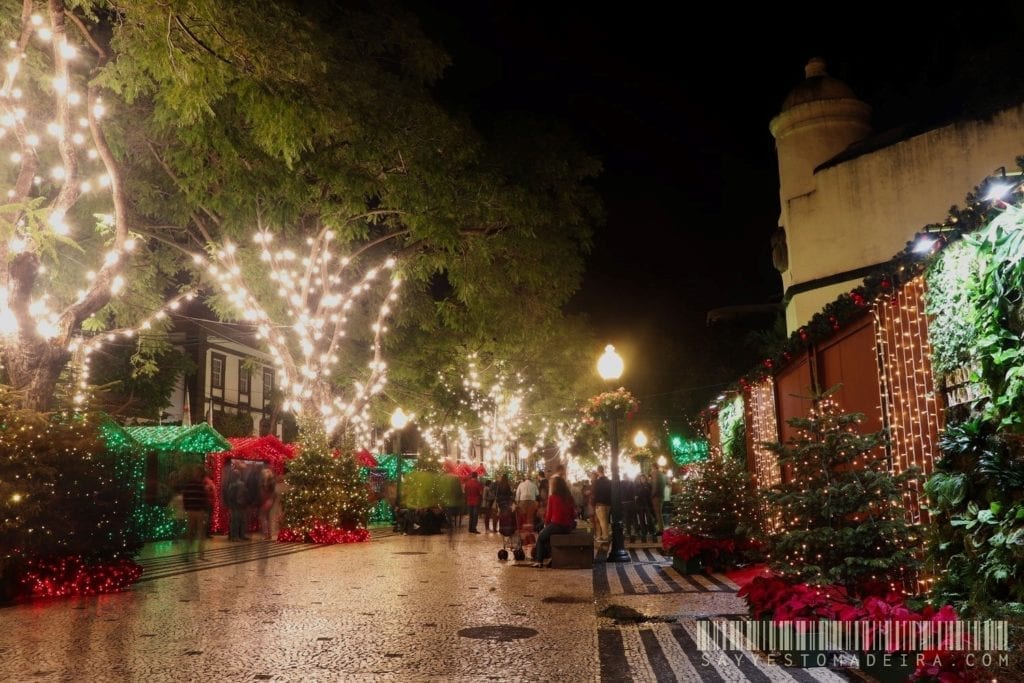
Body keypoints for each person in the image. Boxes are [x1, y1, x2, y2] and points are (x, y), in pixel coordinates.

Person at [532, 476, 576, 568]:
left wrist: (546, 525)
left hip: (556, 524)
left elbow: (549, 514)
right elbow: (573, 514)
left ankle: (539, 561)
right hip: (567, 527)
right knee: (547, 536)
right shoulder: (569, 497)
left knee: (541, 536)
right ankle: (552, 557)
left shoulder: (553, 497)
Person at [181, 465, 210, 561]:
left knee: (192, 533)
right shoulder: (200, 485)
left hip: (192, 511)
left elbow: (185, 497)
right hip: (197, 511)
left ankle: (188, 554)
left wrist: (187, 508)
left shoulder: (190, 485)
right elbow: (204, 499)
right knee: (198, 533)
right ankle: (197, 555)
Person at [592, 466, 611, 544]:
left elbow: (595, 493)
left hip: (600, 503)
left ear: (598, 471)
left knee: (602, 521)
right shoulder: (608, 481)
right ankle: (605, 535)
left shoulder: (597, 482)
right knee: (605, 520)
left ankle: (605, 537)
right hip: (608, 503)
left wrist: (595, 503)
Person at [258, 467, 277, 540]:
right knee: (265, 517)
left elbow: (266, 491)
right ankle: (268, 534)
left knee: (263, 517)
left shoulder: (268, 482)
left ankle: (266, 534)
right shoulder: (271, 482)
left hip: (266, 500)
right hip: (268, 500)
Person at [651, 466, 668, 536]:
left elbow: (655, 485)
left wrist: (652, 495)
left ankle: (661, 530)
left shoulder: (655, 473)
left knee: (658, 514)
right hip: (661, 495)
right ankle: (661, 528)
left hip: (656, 496)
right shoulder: (662, 474)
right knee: (659, 513)